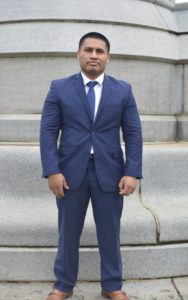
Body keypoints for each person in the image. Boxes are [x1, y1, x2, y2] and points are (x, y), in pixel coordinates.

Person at [40, 32, 142, 300]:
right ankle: (63, 285)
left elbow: (133, 133)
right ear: (78, 54)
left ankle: (112, 285)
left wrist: (132, 172)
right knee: (68, 232)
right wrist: (52, 170)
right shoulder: (59, 88)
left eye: (99, 51)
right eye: (88, 50)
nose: (94, 55)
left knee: (110, 233)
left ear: (108, 57)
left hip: (110, 173)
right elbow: (48, 131)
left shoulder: (123, 90)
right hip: (69, 173)